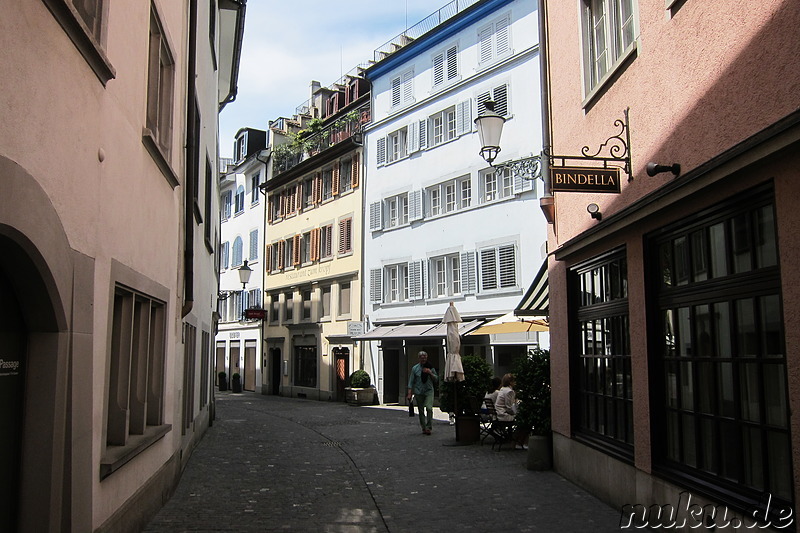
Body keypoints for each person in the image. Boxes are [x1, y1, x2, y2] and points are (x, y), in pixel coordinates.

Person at [407, 351, 438, 435]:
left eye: (424, 357)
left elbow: (436, 379)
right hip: (418, 391)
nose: (423, 358)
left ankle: (429, 427)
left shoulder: (430, 367)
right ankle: (423, 427)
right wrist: (409, 393)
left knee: (429, 408)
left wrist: (430, 373)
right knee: (421, 410)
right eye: (421, 357)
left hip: (429, 391)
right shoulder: (415, 368)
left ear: (427, 358)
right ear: (419, 358)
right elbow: (411, 381)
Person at [495, 373, 527, 449]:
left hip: (499, 414)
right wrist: (517, 413)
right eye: (514, 381)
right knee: (524, 422)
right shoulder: (509, 391)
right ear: (510, 382)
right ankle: (520, 442)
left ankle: (515, 441)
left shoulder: (502, 389)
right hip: (505, 415)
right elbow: (509, 407)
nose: (515, 383)